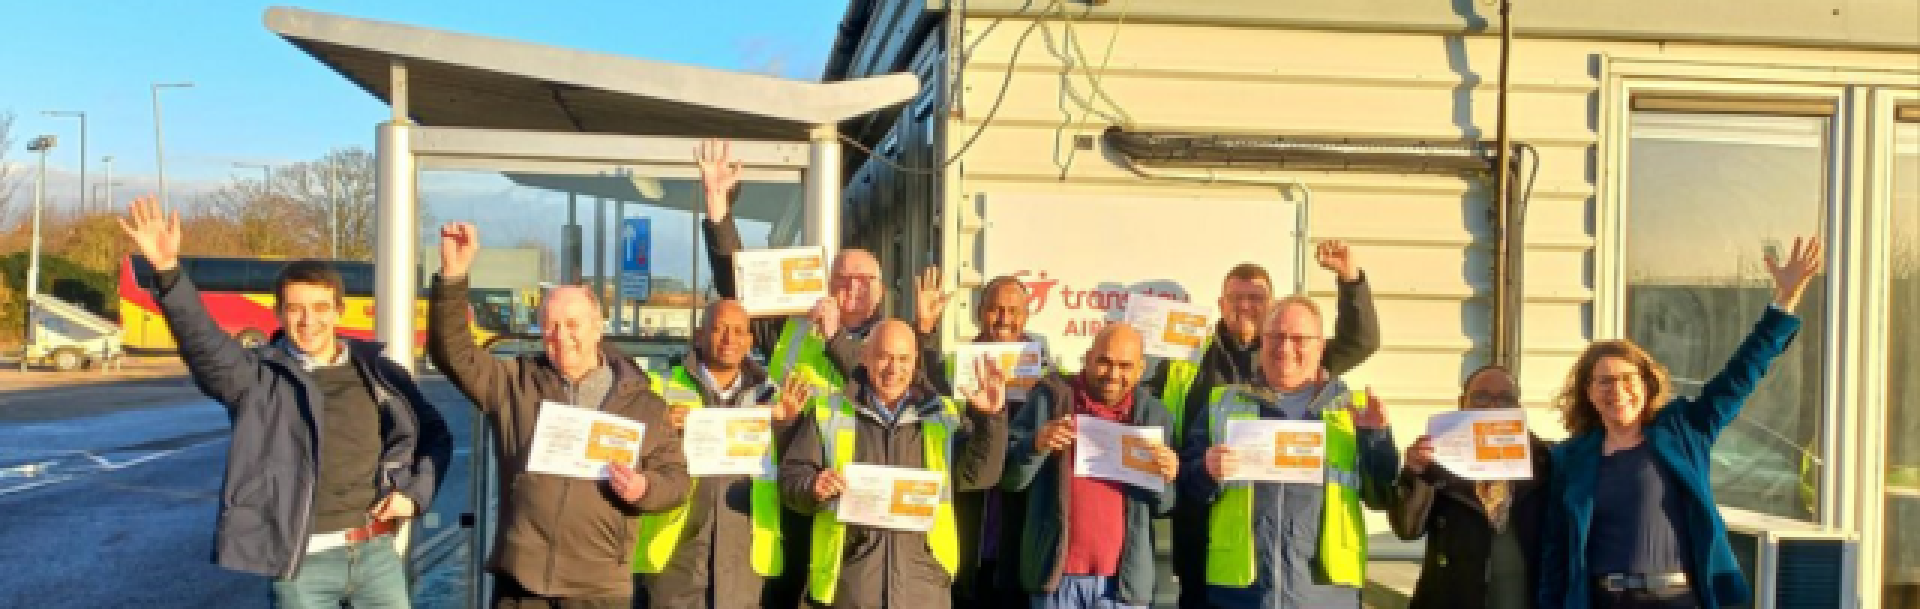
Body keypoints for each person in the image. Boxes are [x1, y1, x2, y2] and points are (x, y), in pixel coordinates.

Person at [118, 196, 451, 608]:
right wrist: (168, 273)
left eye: (319, 309)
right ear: (278, 313)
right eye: (295, 309)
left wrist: (414, 495)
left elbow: (435, 436)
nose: (308, 321)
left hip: (376, 556)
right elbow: (205, 345)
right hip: (302, 566)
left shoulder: (379, 371)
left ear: (339, 311)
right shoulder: (257, 378)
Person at [1538, 237, 1823, 609]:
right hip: (1604, 600)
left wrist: (1783, 303)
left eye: (1628, 379)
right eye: (1604, 381)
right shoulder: (1572, 458)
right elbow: (1555, 555)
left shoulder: (1683, 431)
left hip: (1679, 598)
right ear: (1589, 393)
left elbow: (1740, 376)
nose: (1617, 390)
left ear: (1647, 385)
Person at [429, 222, 691, 608]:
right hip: (523, 581)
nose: (560, 336)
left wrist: (643, 488)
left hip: (600, 587)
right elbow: (454, 354)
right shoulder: (514, 382)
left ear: (598, 327)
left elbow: (677, 480)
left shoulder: (644, 404)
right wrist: (453, 277)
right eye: (549, 326)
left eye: (573, 325)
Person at [1156, 243, 1380, 609]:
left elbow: (1361, 341)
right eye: (1236, 298)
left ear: (1271, 305)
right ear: (1220, 304)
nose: (1245, 306)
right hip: (1206, 536)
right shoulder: (1189, 360)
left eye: (1256, 298)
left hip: (1294, 561)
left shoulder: (1296, 355)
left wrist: (1350, 280)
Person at [779, 320, 1011, 608]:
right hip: (851, 584)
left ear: (916, 361)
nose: (893, 368)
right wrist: (813, 486)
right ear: (864, 356)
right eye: (884, 356)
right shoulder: (829, 410)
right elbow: (791, 478)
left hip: (923, 585)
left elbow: (979, 476)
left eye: (903, 359)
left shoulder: (944, 414)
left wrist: (991, 419)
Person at [634, 299, 815, 609]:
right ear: (699, 335)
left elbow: (795, 473)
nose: (729, 339)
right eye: (719, 329)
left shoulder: (772, 397)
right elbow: (632, 453)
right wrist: (660, 423)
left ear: (750, 341)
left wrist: (786, 427)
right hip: (676, 558)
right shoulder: (659, 389)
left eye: (738, 331)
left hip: (746, 558)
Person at [697, 140, 899, 392]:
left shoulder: (891, 340)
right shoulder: (793, 326)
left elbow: (876, 388)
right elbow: (737, 286)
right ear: (826, 282)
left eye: (863, 278)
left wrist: (835, 335)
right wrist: (717, 203)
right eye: (841, 277)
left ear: (881, 289)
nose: (852, 286)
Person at [1002, 324, 1180, 608]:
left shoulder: (1153, 414)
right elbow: (1010, 479)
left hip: (1123, 588)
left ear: (1141, 369)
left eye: (1125, 366)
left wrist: (1168, 477)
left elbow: (1164, 506)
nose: (1113, 375)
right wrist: (1035, 445)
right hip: (1057, 582)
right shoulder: (1051, 399)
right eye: (1104, 362)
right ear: (1087, 358)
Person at [914, 273, 1059, 605]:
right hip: (969, 514)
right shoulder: (957, 366)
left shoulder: (1048, 376)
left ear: (1027, 315)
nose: (1004, 319)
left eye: (1013, 311)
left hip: (1022, 526)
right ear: (980, 311)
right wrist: (924, 330)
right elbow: (923, 385)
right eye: (995, 309)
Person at [1388, 365, 1552, 609]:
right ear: (1462, 403)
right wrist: (1418, 474)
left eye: (1506, 399)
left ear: (1518, 407)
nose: (1493, 406)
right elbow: (1407, 529)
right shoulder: (1437, 458)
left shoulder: (1545, 460)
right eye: (1481, 397)